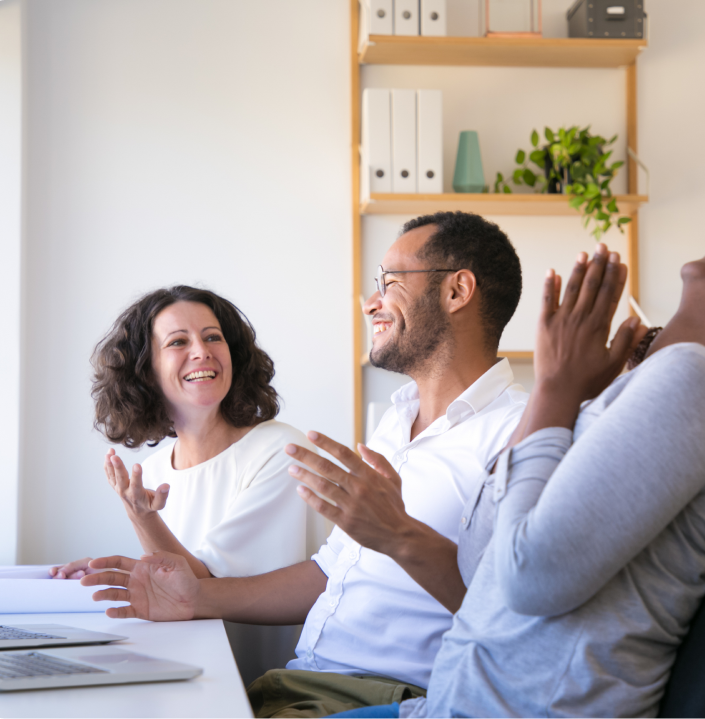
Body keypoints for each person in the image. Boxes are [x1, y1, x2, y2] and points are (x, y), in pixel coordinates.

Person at [287, 238, 705, 719]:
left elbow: (524, 577)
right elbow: (482, 564)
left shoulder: (696, 382)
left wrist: (555, 390)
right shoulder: (640, 392)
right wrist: (561, 397)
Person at [80, 211, 529, 718]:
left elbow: (523, 617)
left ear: (457, 291)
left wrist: (400, 534)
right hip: (300, 683)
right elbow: (327, 572)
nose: (370, 302)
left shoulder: (520, 436)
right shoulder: (395, 423)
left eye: (391, 282)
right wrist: (196, 600)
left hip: (392, 697)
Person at [50, 285, 315, 581]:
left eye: (213, 337)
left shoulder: (281, 451)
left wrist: (142, 518)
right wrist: (112, 570)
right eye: (178, 342)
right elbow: (171, 584)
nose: (202, 352)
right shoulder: (153, 471)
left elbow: (210, 592)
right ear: (146, 372)